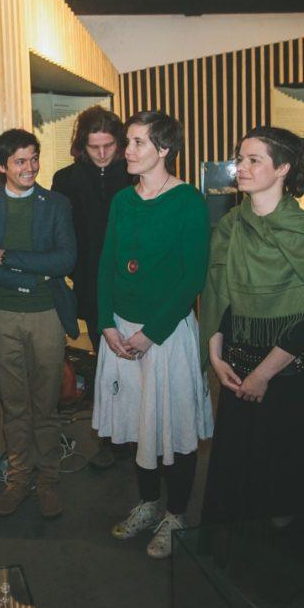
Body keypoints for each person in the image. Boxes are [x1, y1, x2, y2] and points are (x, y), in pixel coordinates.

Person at [200, 127, 304, 526]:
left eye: (254, 160)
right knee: (239, 489)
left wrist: (262, 375)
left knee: (285, 493)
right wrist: (215, 355)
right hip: (235, 371)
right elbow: (218, 295)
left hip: (286, 377)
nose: (241, 168)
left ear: (282, 168)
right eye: (240, 159)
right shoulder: (230, 225)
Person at [93, 111, 212, 559]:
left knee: (174, 425)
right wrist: (106, 322)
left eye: (137, 142)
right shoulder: (123, 200)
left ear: (164, 149)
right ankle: (147, 503)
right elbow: (107, 264)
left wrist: (151, 334)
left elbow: (192, 277)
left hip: (166, 333)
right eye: (128, 141)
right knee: (136, 423)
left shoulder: (189, 201)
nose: (126, 150)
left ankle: (175, 514)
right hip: (119, 331)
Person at [0, 129, 78, 520]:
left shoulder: (57, 204)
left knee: (45, 404)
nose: (30, 167)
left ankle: (48, 480)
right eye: (20, 161)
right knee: (15, 406)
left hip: (47, 315)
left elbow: (65, 260)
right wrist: (30, 278)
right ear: (2, 166)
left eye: (33, 158)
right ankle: (18, 479)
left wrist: (11, 258)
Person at [51, 105, 130, 469]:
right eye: (93, 146)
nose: (101, 154)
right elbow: (61, 237)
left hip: (133, 285)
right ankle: (112, 441)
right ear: (81, 144)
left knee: (141, 367)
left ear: (120, 142)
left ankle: (144, 438)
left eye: (108, 146)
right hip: (91, 285)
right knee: (106, 366)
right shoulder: (66, 179)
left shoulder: (135, 172)